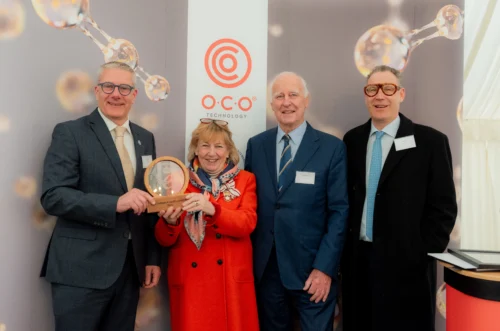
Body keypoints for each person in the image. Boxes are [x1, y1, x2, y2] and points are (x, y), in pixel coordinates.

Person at [40, 61, 162, 331]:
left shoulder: (146, 138)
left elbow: (148, 200)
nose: (115, 94)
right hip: (79, 271)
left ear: (134, 95)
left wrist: (152, 257)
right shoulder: (70, 133)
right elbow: (53, 196)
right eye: (108, 86)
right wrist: (115, 204)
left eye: (124, 88)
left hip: (129, 270)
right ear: (97, 90)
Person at [341, 65, 457, 331]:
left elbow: (444, 207)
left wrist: (421, 253)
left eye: (388, 88)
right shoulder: (352, 140)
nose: (379, 96)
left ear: (401, 94)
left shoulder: (430, 142)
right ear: (365, 95)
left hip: (408, 267)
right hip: (359, 263)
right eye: (372, 89)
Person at [245, 71, 349, 331]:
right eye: (279, 96)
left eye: (293, 95)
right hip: (267, 269)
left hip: (312, 272)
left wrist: (325, 269)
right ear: (271, 105)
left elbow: (339, 212)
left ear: (306, 100)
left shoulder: (331, 148)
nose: (286, 102)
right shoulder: (257, 145)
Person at [154, 118, 259, 331]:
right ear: (195, 150)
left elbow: (247, 223)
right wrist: (170, 221)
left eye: (219, 146)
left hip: (230, 283)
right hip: (192, 285)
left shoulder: (246, 180)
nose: (212, 153)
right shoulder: (177, 180)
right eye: (205, 145)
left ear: (229, 151)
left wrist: (211, 208)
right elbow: (163, 239)